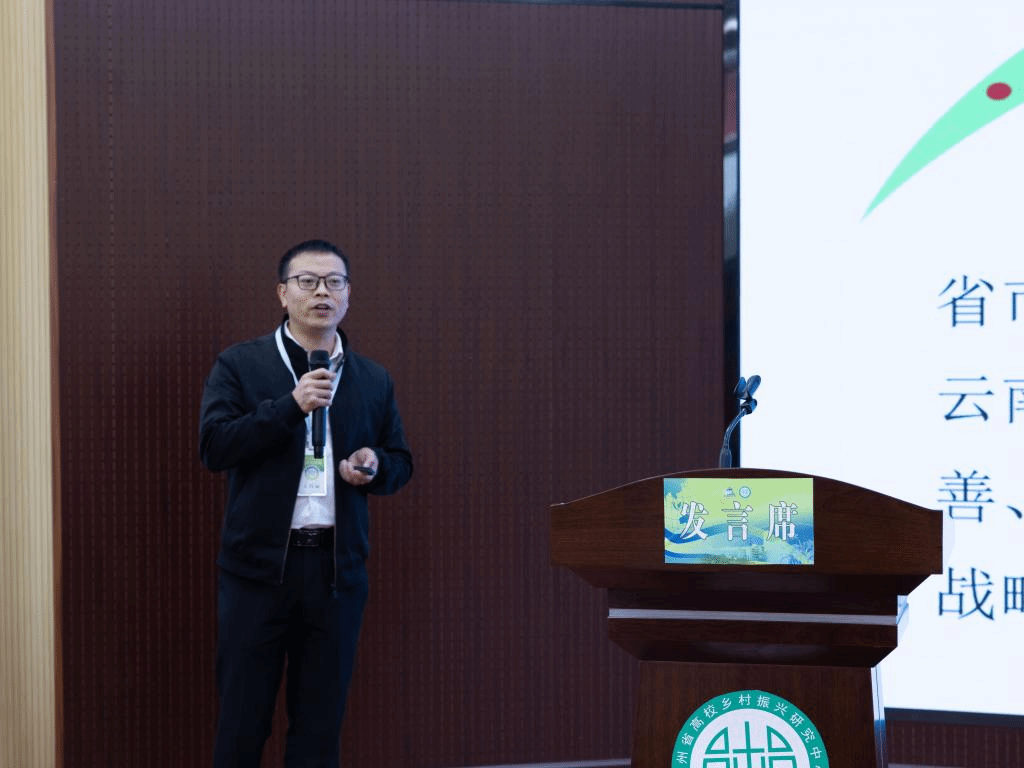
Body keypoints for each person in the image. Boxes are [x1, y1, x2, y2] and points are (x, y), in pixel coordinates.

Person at [199, 239, 413, 766]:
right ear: (282, 293)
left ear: (348, 295)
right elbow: (215, 447)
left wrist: (374, 465)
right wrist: (289, 407)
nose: (322, 293)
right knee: (242, 723)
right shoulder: (241, 365)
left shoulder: (372, 378)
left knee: (319, 728)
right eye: (308, 281)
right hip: (257, 575)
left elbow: (400, 462)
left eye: (334, 282)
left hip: (335, 575)